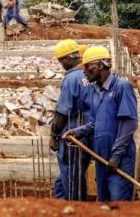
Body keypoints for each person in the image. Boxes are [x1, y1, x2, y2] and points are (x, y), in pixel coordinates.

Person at [63, 46, 138, 201]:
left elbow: (129, 124)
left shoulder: (122, 87)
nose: (84, 71)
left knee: (119, 203)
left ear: (101, 65)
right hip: (101, 157)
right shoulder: (95, 91)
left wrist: (116, 155)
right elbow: (94, 124)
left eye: (87, 66)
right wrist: (77, 132)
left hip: (119, 160)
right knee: (103, 202)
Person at [49, 40, 93, 201]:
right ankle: (60, 203)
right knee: (69, 174)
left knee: (72, 175)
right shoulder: (88, 74)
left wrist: (53, 134)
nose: (61, 64)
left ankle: (75, 207)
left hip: (72, 135)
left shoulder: (71, 79)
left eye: (61, 60)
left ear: (69, 58)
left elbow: (62, 110)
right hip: (87, 131)